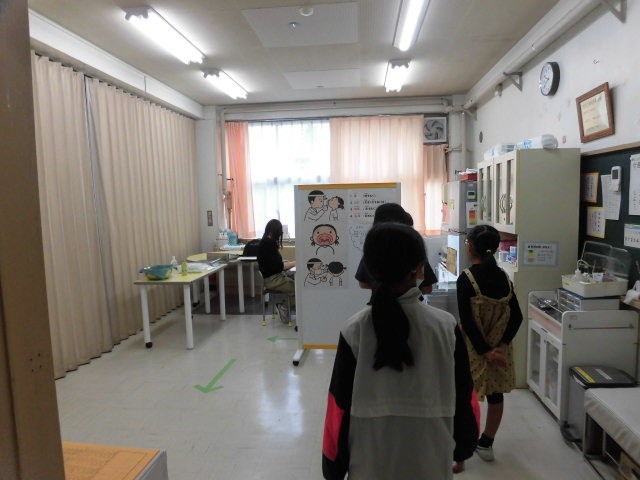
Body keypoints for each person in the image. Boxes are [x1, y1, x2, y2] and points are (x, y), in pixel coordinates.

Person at [322, 222, 477, 480]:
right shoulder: (446, 327)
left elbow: (338, 408)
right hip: (431, 463)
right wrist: (463, 448)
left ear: (369, 268)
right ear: (419, 269)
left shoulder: (354, 330)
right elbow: (465, 397)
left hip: (369, 465)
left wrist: (333, 469)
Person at [456, 224, 523, 462]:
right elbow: (517, 316)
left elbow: (467, 321)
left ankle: (462, 445)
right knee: (496, 395)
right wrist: (500, 346)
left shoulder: (466, 279)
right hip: (500, 349)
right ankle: (486, 443)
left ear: (471, 247)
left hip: (474, 349)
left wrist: (484, 351)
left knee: (465, 394)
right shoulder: (504, 277)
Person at [355, 202, 437, 296]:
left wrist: (380, 287)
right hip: (410, 302)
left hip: (379, 301)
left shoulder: (373, 250)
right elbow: (427, 288)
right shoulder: (412, 248)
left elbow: (363, 284)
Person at [257, 219, 296, 323]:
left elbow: (275, 264)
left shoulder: (265, 242)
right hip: (273, 279)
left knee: (295, 280)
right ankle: (283, 307)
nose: (280, 235)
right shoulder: (268, 244)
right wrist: (295, 263)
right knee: (296, 288)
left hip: (273, 277)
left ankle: (283, 306)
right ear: (276, 231)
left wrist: (290, 263)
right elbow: (279, 266)